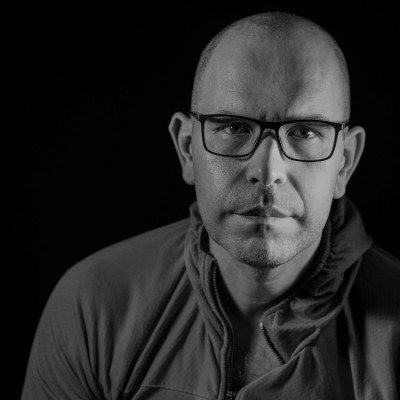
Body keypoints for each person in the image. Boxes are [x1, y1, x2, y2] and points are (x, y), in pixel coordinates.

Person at [21, 11, 399, 400]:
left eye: (304, 132)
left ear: (345, 162)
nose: (267, 171)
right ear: (187, 149)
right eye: (234, 127)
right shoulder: (95, 305)